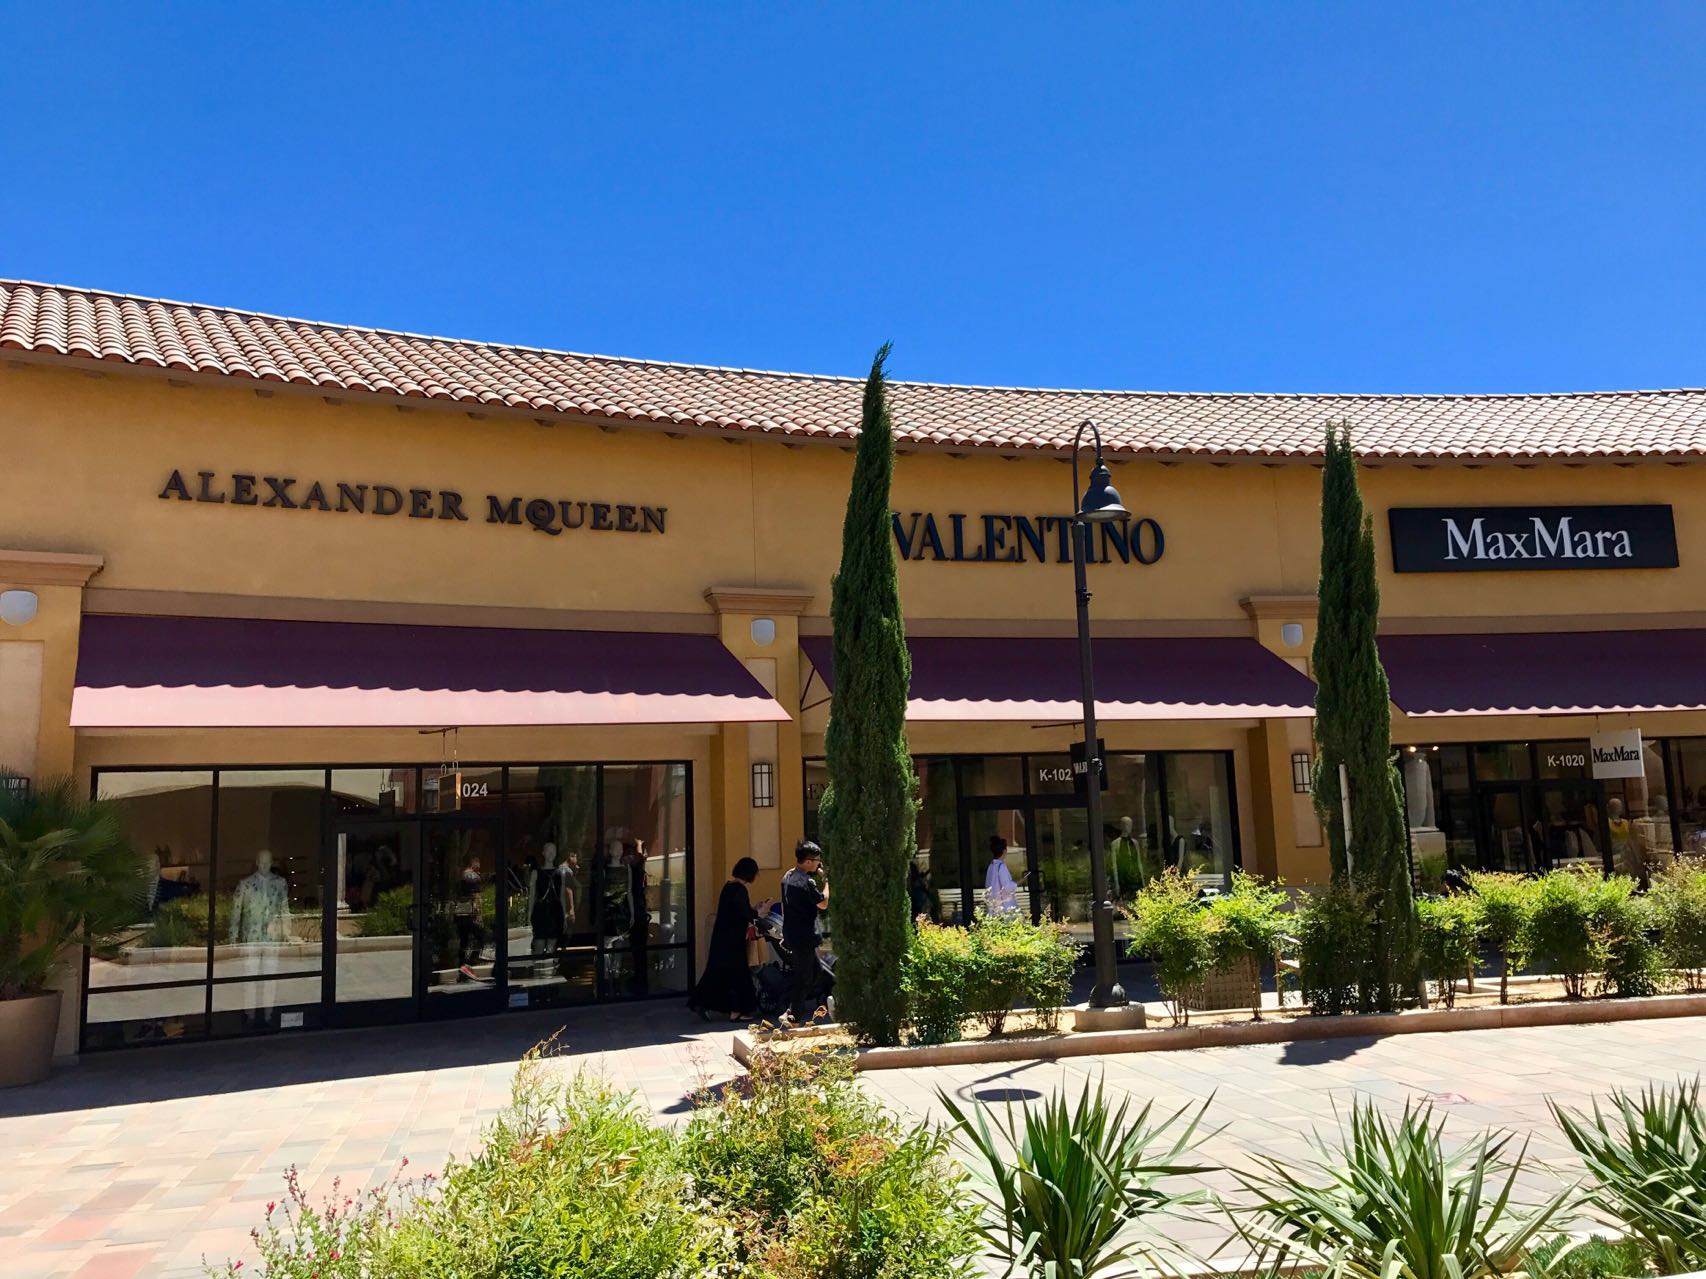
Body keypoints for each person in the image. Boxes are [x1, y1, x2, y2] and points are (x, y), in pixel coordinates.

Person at [689, 856, 767, 1021]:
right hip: (734, 941)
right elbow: (745, 913)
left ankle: (702, 1003)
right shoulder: (740, 890)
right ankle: (736, 1011)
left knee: (717, 973)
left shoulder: (728, 887)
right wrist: (758, 912)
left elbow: (736, 910)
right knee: (739, 976)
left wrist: (752, 909)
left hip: (721, 937)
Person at [781, 840, 829, 1025]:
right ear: (808, 861)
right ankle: (792, 1016)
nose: (819, 864)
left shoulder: (787, 876)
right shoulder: (806, 881)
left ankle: (795, 1010)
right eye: (817, 860)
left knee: (817, 973)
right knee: (804, 977)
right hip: (804, 936)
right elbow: (823, 903)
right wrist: (826, 881)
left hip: (792, 933)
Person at [983, 835, 1019, 916]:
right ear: (1004, 851)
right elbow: (1007, 887)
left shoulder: (991, 866)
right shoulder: (1001, 866)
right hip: (1004, 906)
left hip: (993, 904)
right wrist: (1018, 882)